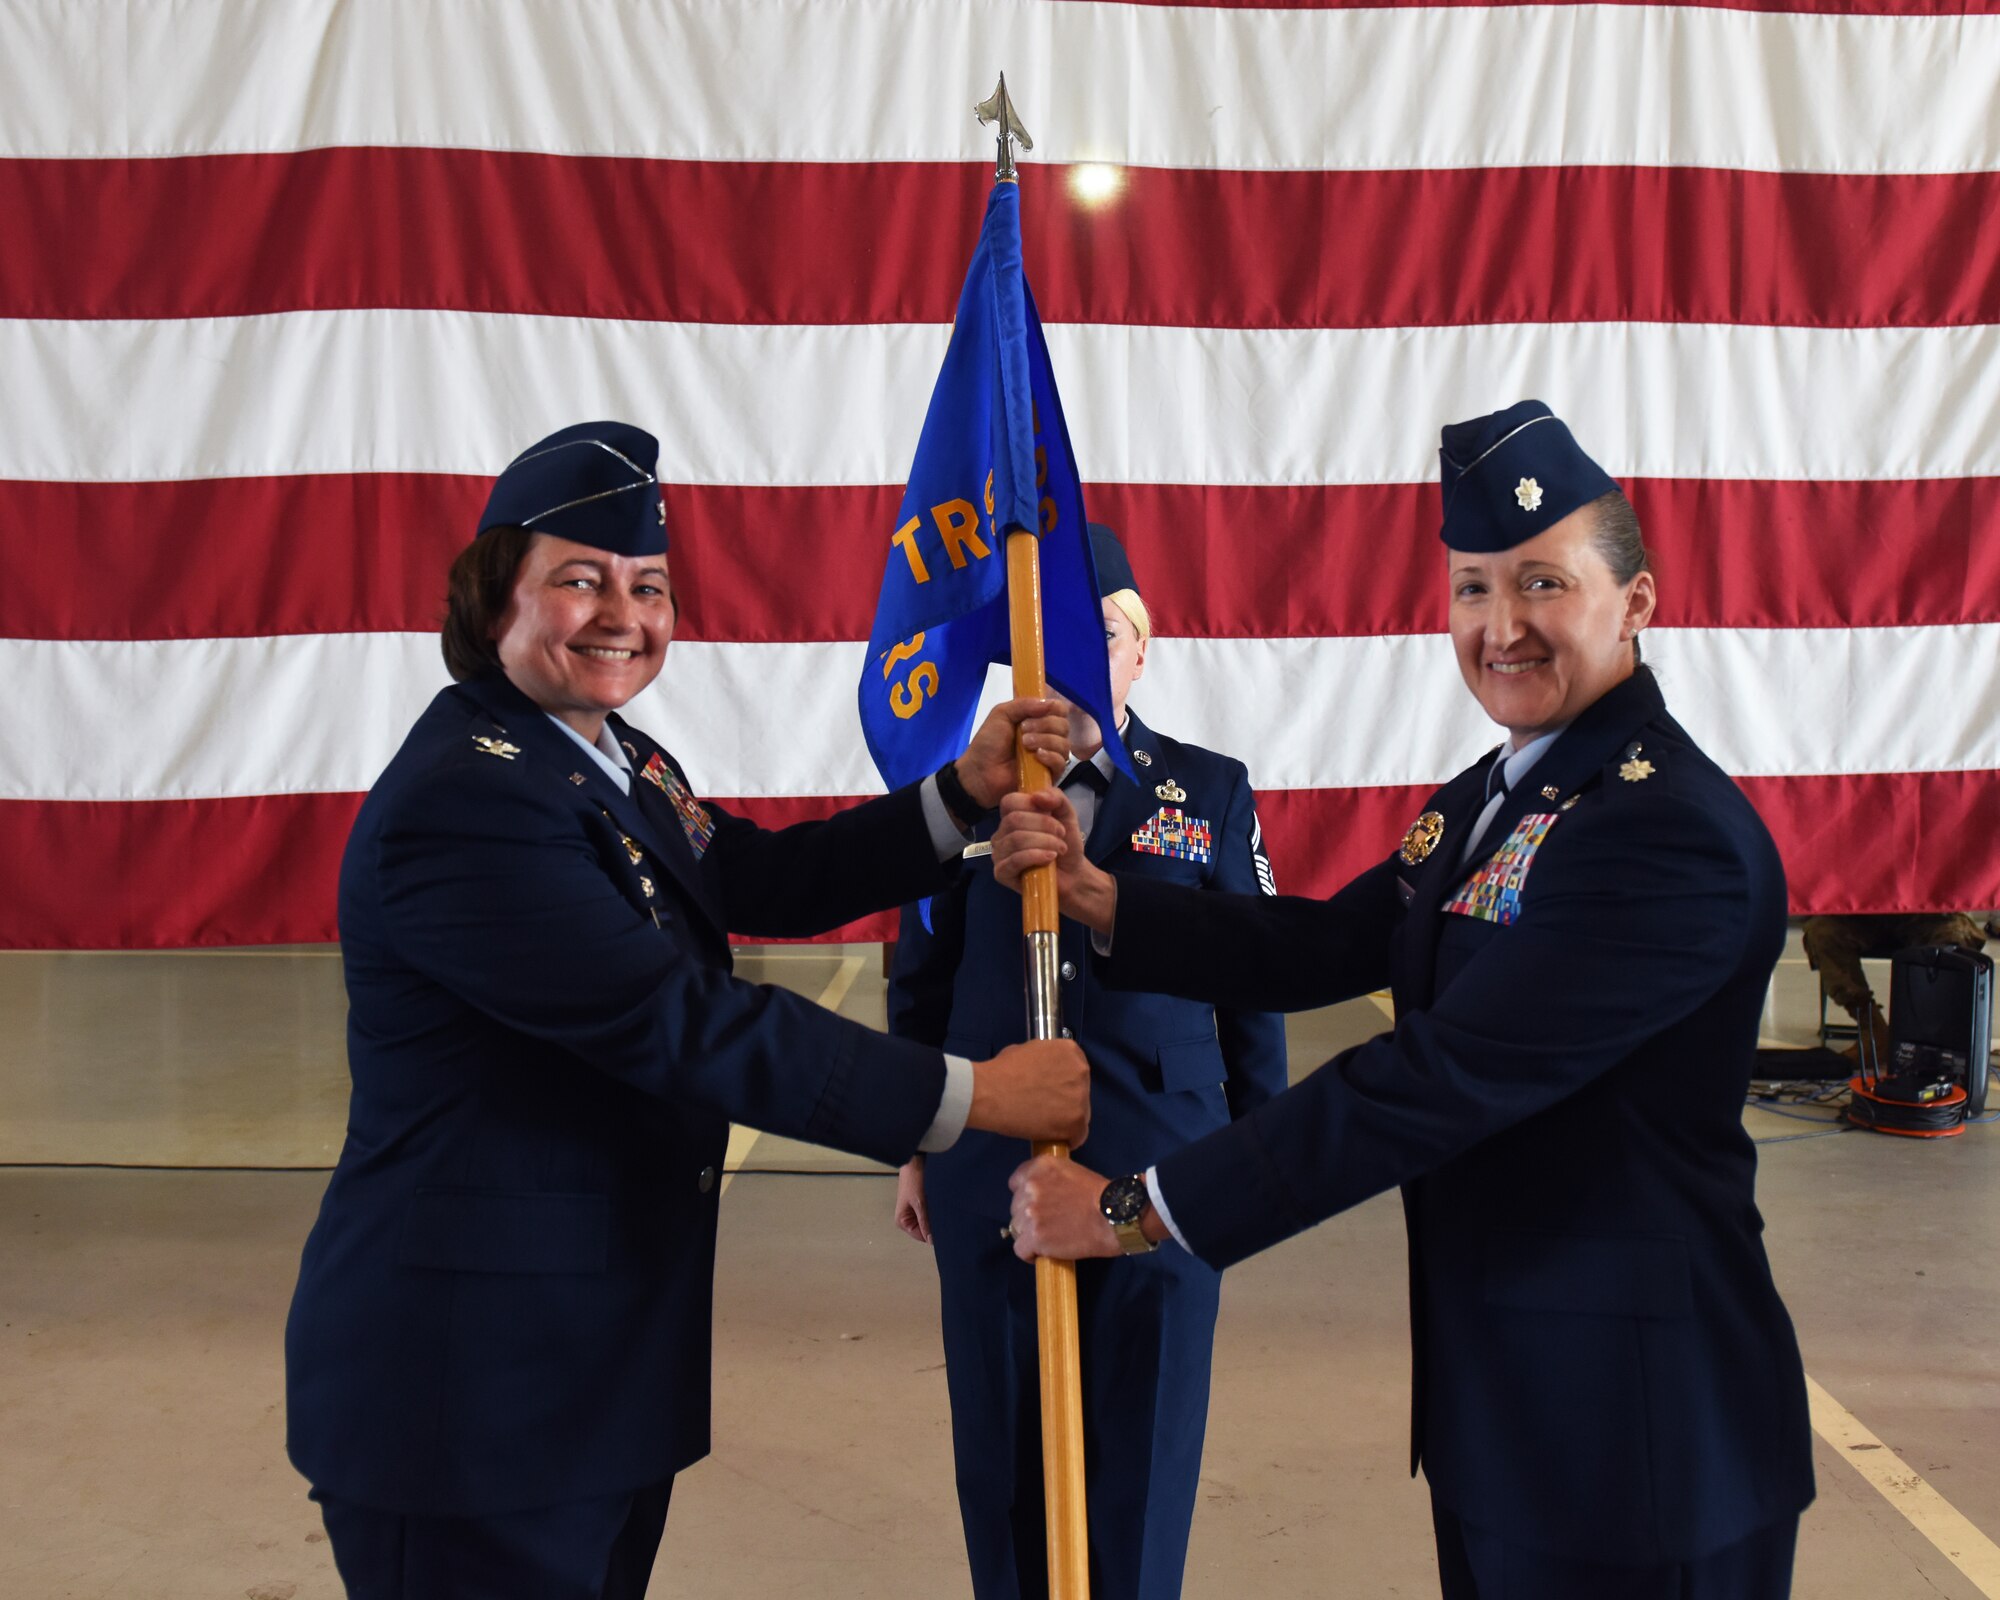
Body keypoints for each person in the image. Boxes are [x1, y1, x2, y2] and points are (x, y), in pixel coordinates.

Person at [994, 401, 1815, 1598]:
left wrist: (1131, 1208)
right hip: (1510, 1413)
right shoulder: (1501, 793)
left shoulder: (1660, 833)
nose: (1500, 627)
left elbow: (1430, 1082)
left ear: (1633, 602)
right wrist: (1104, 898)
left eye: (1541, 583)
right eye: (1472, 589)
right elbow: (1327, 940)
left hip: (1639, 1446)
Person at [285, 421, 1091, 1600]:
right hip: (470, 1400)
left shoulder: (610, 758)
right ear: (491, 594)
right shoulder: (467, 802)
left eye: (647, 586)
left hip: (587, 1371)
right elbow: (685, 1023)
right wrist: (970, 1095)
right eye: (580, 580)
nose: (623, 612)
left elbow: (748, 876)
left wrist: (956, 793)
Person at [887, 523, 1287, 1600]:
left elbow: (1253, 983)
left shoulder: (1205, 791)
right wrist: (912, 1148)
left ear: (1140, 651)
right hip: (987, 1176)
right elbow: (917, 979)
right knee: (1003, 1464)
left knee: (1142, 1467)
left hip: (1160, 1171)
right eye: (1044, 642)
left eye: (1096, 633)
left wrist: (1254, 1170)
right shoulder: (965, 796)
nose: (1070, 663)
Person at [1801, 912, 1989, 1058]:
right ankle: (1873, 1029)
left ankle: (1925, 1035)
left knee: (1956, 935)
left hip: (1932, 912)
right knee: (1823, 932)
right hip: (1861, 911)